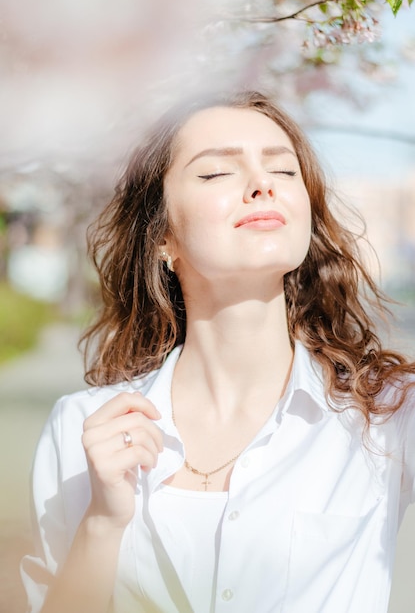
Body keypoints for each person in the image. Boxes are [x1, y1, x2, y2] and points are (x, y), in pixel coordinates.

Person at [21, 90, 415, 613]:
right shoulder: (83, 429)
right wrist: (101, 525)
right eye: (215, 174)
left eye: (284, 171)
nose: (262, 186)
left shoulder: (387, 415)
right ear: (162, 237)